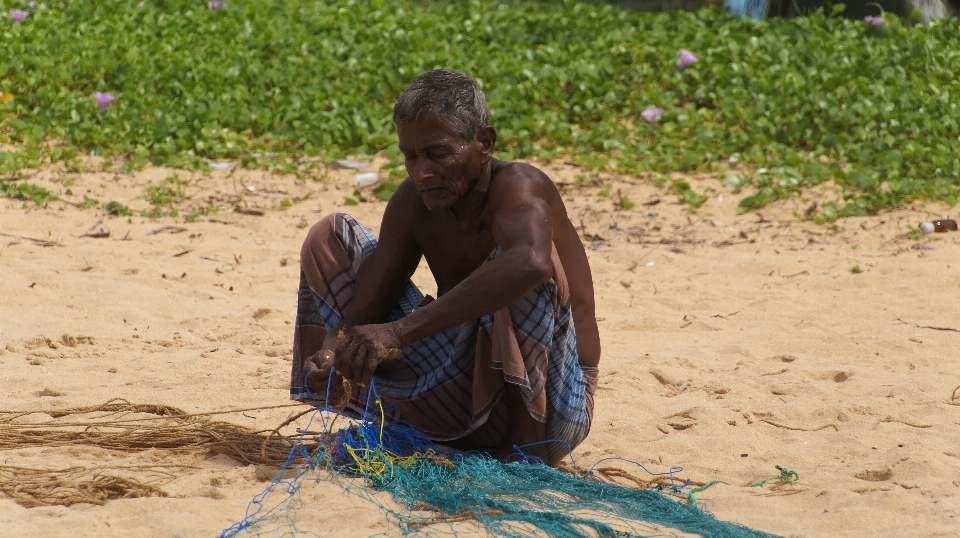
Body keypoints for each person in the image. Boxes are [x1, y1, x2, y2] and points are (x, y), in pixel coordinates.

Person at [290, 69, 600, 466]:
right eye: (411, 156)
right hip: (459, 396)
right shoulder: (412, 203)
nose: (422, 172)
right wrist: (333, 352)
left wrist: (400, 330)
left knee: (523, 263)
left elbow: (532, 263)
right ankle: (415, 425)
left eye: (438, 154)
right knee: (330, 236)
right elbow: (364, 311)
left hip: (557, 406)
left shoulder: (519, 186)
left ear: (484, 143)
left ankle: (526, 453)